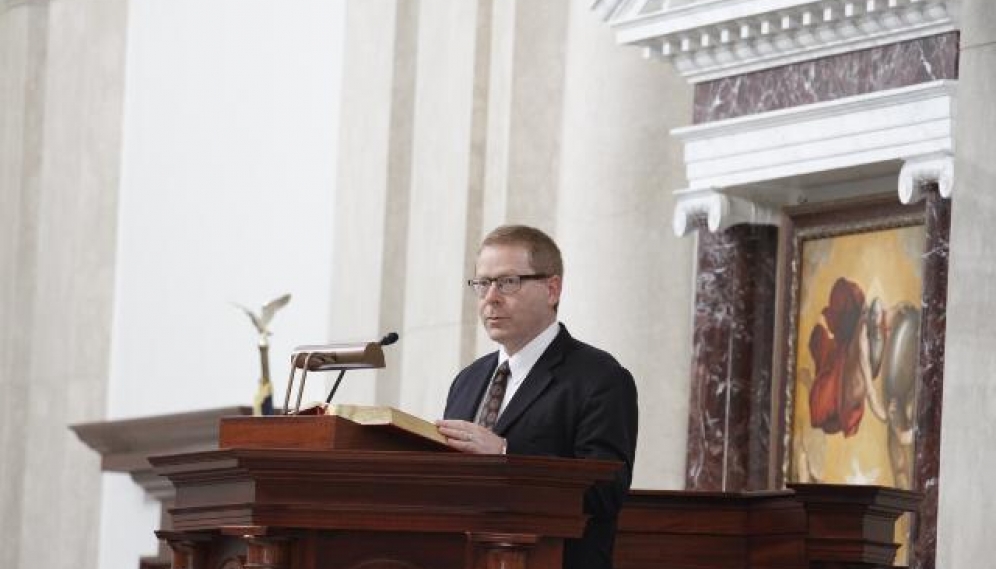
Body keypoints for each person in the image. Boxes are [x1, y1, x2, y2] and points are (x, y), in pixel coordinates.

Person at [435, 225, 638, 569]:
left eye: (508, 282)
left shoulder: (600, 378)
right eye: (482, 284)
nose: (491, 297)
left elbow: (606, 493)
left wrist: (504, 453)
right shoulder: (467, 380)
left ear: (552, 289)